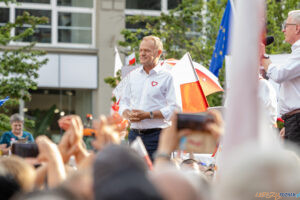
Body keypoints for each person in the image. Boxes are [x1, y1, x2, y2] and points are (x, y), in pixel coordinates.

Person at [119, 35, 178, 160]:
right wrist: (127, 114)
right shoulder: (132, 76)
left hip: (158, 136)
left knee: (157, 177)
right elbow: (123, 103)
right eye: (140, 50)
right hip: (134, 136)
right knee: (135, 176)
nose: (142, 54)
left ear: (158, 53)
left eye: (147, 51)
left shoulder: (168, 77)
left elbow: (175, 108)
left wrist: (149, 115)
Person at [262, 10, 300, 144]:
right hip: (293, 120)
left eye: (286, 25)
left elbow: (278, 75)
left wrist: (264, 57)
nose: (283, 30)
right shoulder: (296, 52)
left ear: (297, 28)